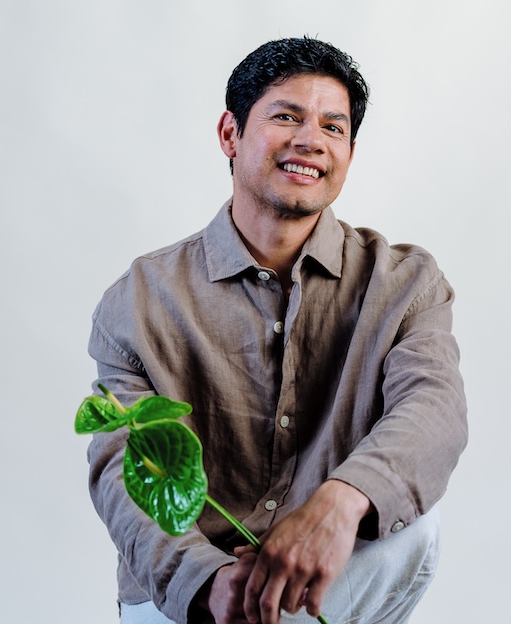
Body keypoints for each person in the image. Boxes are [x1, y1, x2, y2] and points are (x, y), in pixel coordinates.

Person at [86, 37, 467, 624]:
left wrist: (339, 504)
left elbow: (433, 409)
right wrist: (209, 583)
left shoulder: (403, 282)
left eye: (332, 128)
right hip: (192, 599)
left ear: (349, 152)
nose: (310, 140)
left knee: (415, 525)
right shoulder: (141, 299)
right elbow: (124, 470)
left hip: (333, 581)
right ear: (230, 135)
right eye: (286, 116)